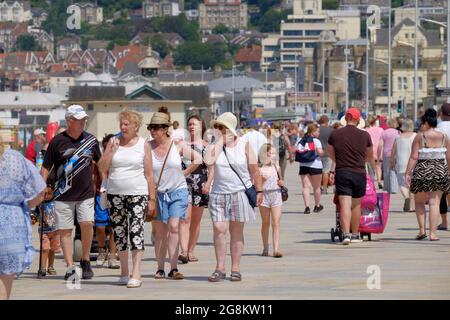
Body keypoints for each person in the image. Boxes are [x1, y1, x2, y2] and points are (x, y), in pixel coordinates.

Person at [42, 105, 101, 280]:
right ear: (69, 121)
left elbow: (101, 164)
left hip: (86, 193)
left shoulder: (91, 140)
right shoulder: (57, 141)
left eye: (84, 119)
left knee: (87, 223)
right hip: (62, 194)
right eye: (79, 119)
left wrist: (104, 184)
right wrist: (42, 186)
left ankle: (85, 259)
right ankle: (70, 266)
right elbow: (46, 167)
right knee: (65, 231)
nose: (83, 122)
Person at [98, 110, 155, 288]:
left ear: (136, 125)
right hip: (115, 194)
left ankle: (136, 272)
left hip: (138, 194)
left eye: (126, 124)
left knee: (136, 232)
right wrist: (110, 153)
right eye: (121, 124)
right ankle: (124, 272)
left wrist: (152, 199)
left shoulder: (143, 144)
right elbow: (102, 167)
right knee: (120, 233)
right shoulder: (114, 142)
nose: (122, 127)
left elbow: (149, 175)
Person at [203, 112, 263, 282]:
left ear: (230, 128)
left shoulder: (244, 145)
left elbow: (254, 170)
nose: (218, 130)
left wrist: (259, 191)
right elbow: (207, 160)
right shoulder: (215, 146)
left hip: (239, 193)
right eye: (217, 127)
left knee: (236, 232)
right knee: (219, 229)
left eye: (221, 127)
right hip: (219, 193)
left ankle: (235, 268)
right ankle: (219, 268)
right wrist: (220, 141)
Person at [148, 107, 201, 280]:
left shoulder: (177, 145)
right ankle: (160, 268)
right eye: (151, 127)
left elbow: (198, 159)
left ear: (165, 128)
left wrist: (185, 173)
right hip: (159, 194)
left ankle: (174, 268)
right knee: (161, 232)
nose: (153, 131)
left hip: (178, 191)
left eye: (156, 127)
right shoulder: (147, 147)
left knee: (173, 227)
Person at [0, 143, 46, 299]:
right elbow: (40, 192)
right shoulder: (16, 158)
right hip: (12, 225)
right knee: (4, 279)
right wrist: (24, 206)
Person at [328, 108, 378, 245]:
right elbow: (369, 157)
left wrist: (339, 162)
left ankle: (345, 235)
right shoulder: (365, 135)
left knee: (344, 204)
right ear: (358, 119)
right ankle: (355, 235)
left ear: (346, 118)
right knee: (356, 206)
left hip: (343, 172)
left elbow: (330, 153)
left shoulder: (335, 134)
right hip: (359, 172)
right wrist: (374, 171)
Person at [406, 109, 450, 242]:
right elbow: (448, 157)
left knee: (419, 201)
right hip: (440, 170)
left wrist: (408, 172)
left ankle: (421, 231)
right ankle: (433, 234)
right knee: (434, 203)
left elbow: (414, 156)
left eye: (421, 122)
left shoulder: (420, 136)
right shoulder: (444, 137)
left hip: (422, 171)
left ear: (426, 122)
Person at [179, 114, 209, 263]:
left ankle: (191, 251)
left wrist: (209, 184)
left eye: (194, 124)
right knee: (185, 218)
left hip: (200, 183)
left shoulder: (206, 145)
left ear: (201, 126)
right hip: (183, 183)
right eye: (189, 124)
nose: (191, 126)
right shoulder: (181, 144)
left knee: (196, 221)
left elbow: (212, 167)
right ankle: (183, 251)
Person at [94, 134, 119, 269]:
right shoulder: (100, 160)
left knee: (115, 226)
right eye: (106, 146)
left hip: (116, 193)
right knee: (100, 226)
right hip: (102, 194)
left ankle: (113, 256)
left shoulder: (119, 159)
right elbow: (95, 179)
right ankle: (102, 250)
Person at [258, 143, 284, 258]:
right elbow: (257, 185)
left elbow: (281, 180)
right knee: (265, 222)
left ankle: (276, 249)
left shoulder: (276, 167)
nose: (272, 156)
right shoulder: (259, 169)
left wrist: (281, 183)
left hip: (276, 194)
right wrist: (262, 180)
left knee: (276, 222)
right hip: (264, 196)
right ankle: (265, 247)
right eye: (270, 154)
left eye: (274, 153)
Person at [296, 123, 324, 214]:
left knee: (305, 187)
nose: (319, 133)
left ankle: (307, 207)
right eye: (318, 131)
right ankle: (317, 206)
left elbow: (296, 150)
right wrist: (322, 153)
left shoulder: (301, 140)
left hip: (303, 165)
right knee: (316, 187)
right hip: (316, 166)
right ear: (313, 132)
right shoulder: (316, 141)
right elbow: (320, 152)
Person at [390, 119, 416, 212]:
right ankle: (412, 206)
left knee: (402, 184)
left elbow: (393, 152)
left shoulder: (398, 137)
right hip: (412, 163)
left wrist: (391, 162)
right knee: (412, 185)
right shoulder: (415, 136)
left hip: (400, 164)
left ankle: (406, 197)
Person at [37, 186, 61, 277]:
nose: (46, 196)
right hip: (44, 231)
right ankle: (42, 268)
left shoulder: (56, 203)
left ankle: (50, 267)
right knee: (45, 248)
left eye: (49, 194)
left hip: (55, 230)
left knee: (52, 249)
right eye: (44, 194)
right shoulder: (39, 203)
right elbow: (35, 213)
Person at [436, 103, 450, 230]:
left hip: (442, 164)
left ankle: (445, 222)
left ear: (441, 114)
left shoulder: (438, 128)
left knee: (442, 195)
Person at [379, 119, 400, 193]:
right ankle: (394, 188)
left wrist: (379, 155)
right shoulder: (398, 132)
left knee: (386, 171)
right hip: (395, 154)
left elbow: (380, 144)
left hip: (386, 153)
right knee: (394, 170)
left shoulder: (384, 132)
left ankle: (387, 187)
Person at [365, 115, 384, 189]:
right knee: (378, 166)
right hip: (379, 150)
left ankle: (372, 182)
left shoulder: (367, 130)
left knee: (371, 169)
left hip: (370, 150)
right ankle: (379, 180)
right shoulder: (381, 130)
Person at [318, 115, 333, 194]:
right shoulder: (331, 130)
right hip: (328, 153)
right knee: (326, 171)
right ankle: (324, 189)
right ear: (327, 121)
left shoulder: (317, 130)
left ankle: (318, 187)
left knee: (318, 171)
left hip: (317, 153)